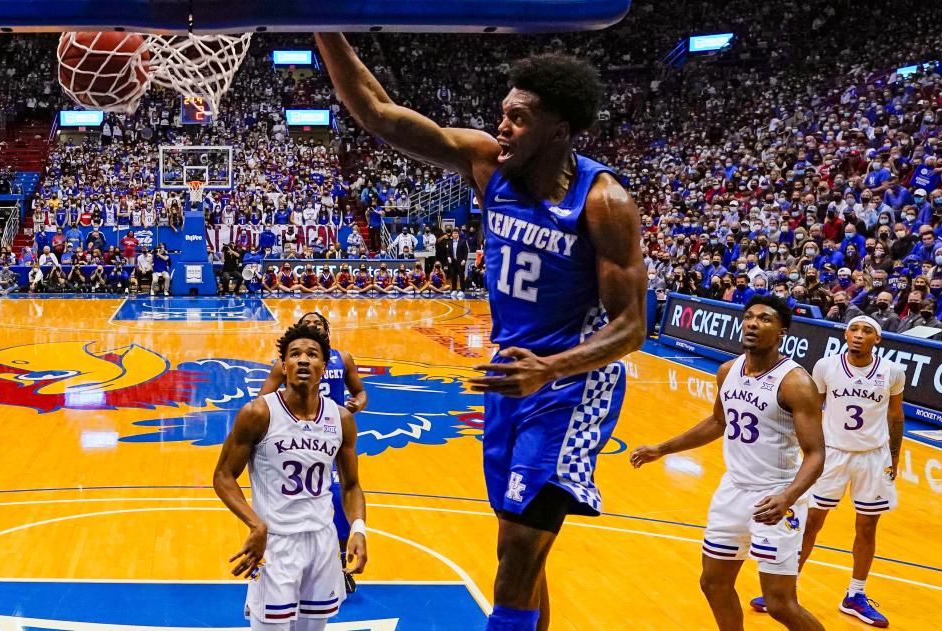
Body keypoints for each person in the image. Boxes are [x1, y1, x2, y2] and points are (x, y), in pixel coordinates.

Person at [315, 34, 647, 630]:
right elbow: (377, 113)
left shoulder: (603, 201)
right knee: (523, 548)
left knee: (518, 550)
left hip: (571, 385)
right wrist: (322, 24)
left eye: (519, 118)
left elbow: (631, 326)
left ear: (559, 129)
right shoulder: (485, 163)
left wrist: (549, 369)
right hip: (510, 379)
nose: (503, 128)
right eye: (502, 115)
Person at [630, 295, 825, 631]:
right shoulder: (727, 371)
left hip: (775, 496)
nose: (753, 323)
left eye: (764, 319)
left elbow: (816, 454)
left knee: (779, 604)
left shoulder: (796, 383)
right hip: (733, 491)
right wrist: (662, 448)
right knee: (713, 583)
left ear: (782, 332)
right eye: (749, 316)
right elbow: (718, 422)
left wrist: (788, 497)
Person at [749, 315, 905, 627]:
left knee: (867, 528)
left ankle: (855, 595)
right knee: (810, 523)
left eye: (867, 331)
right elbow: (809, 411)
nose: (859, 335)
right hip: (831, 454)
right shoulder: (826, 366)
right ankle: (785, 590)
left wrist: (894, 459)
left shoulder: (892, 372)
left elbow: (896, 416)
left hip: (873, 457)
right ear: (846, 334)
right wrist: (800, 451)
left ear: (878, 339)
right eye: (854, 329)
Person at [213, 323, 367, 630]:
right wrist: (256, 524)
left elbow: (351, 485)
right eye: (294, 354)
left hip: (323, 545)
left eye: (312, 354)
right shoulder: (258, 413)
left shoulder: (342, 419)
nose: (303, 360)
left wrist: (359, 529)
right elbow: (223, 476)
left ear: (325, 365)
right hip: (276, 544)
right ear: (284, 366)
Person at [258, 313, 368, 594]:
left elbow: (361, 392)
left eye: (318, 325)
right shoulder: (285, 364)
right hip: (295, 435)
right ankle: (277, 557)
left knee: (339, 491)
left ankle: (340, 564)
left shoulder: (343, 359)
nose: (313, 327)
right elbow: (263, 398)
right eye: (308, 323)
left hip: (331, 433)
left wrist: (356, 405)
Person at [446, 228, 469, 298]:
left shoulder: (463, 241)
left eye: (456, 233)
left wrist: (464, 260)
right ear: (452, 234)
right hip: (453, 262)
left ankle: (462, 290)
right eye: (453, 233)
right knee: (453, 276)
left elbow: (466, 252)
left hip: (461, 261)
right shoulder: (450, 242)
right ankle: (454, 290)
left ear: (458, 234)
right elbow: (448, 252)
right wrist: (449, 257)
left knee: (461, 276)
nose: (455, 234)